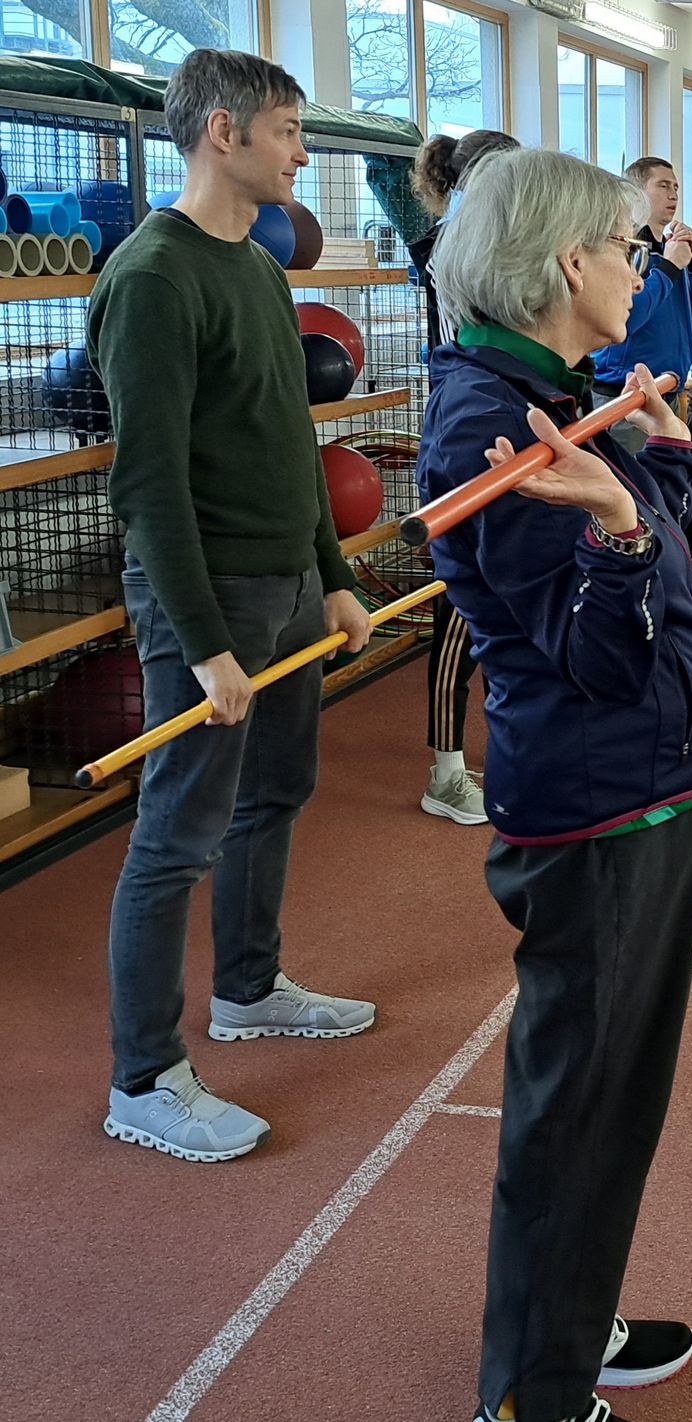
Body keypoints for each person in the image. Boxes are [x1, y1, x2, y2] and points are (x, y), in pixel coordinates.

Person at [421, 148, 692, 1422]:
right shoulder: (489, 429)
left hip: (650, 781)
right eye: (626, 246)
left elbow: (670, 558)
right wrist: (614, 527)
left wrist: (653, 462)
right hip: (597, 803)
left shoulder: (558, 394)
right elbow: (597, 653)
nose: (639, 265)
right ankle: (527, 1407)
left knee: (620, 1098)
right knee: (577, 1107)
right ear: (566, 263)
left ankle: (570, 1317)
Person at [90, 49, 377, 1163]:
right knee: (177, 836)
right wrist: (204, 642)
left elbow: (289, 439)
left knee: (277, 792)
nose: (301, 152)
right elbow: (147, 484)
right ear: (224, 132)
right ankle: (143, 1080)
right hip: (207, 602)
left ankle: (248, 989)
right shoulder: (153, 278)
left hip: (290, 584)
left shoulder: (257, 266)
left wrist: (335, 577)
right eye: (289, 130)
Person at [408, 126, 521, 825]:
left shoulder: (497, 240)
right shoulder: (451, 247)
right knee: (461, 606)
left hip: (509, 424)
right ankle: (446, 772)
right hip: (463, 435)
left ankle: (517, 739)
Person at [592, 157, 692, 461]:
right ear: (637, 193)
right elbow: (623, 320)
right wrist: (668, 268)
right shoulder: (620, 250)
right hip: (626, 399)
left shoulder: (671, 252)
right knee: (632, 487)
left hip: (667, 393)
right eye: (663, 186)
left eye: (675, 187)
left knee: (666, 484)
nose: (673, 194)